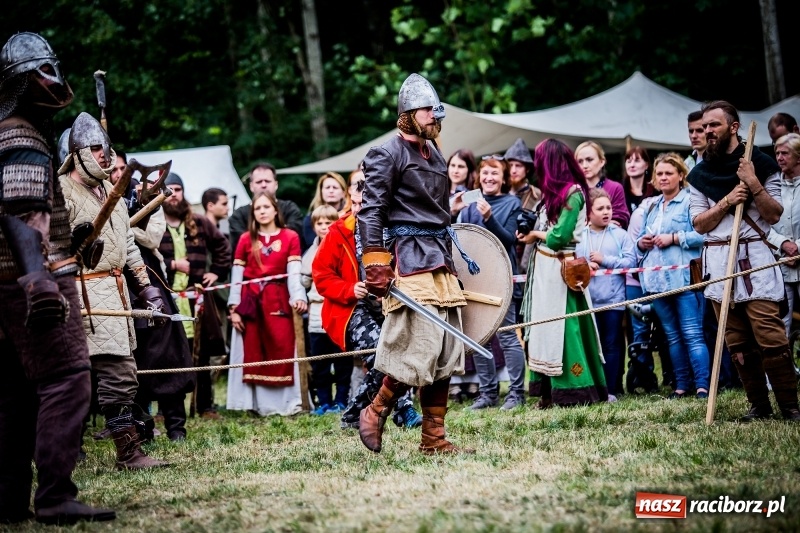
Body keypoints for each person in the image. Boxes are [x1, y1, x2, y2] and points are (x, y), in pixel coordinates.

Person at [0, 31, 116, 525]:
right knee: (67, 379)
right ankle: (54, 495)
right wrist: (38, 280)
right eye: (43, 73)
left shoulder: (9, 131)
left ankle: (8, 499)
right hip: (28, 281)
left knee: (16, 392)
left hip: (11, 282)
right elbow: (21, 214)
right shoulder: (20, 135)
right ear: (22, 83)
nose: (53, 82)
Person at [357, 73, 474, 454]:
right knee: (419, 346)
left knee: (445, 352)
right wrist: (375, 261)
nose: (434, 115)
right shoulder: (387, 153)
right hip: (409, 258)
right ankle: (376, 409)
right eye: (427, 110)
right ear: (407, 114)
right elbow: (371, 211)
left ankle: (433, 438)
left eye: (435, 110)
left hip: (440, 258)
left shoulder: (435, 153)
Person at [58, 111, 171, 472]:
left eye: (105, 148)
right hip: (80, 294)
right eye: (95, 149)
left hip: (115, 291)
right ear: (77, 154)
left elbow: (128, 244)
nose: (104, 155)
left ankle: (124, 451)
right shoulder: (60, 192)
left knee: (120, 376)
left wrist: (147, 288)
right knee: (95, 377)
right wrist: (71, 245)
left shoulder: (112, 192)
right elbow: (47, 245)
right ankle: (113, 452)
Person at [689, 100, 800, 421]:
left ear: (734, 127)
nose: (708, 131)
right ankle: (759, 406)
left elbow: (774, 215)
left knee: (771, 336)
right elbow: (699, 223)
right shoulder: (700, 173)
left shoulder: (762, 165)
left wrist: (752, 182)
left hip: (755, 259)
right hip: (719, 261)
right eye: (704, 126)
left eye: (714, 125)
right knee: (736, 342)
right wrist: (727, 201)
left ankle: (790, 407)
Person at [313, 178, 422, 430]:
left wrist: (393, 284)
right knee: (380, 353)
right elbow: (321, 275)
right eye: (354, 203)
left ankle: (354, 414)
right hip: (349, 308)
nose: (357, 209)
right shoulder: (338, 231)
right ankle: (403, 409)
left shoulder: (393, 228)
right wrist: (349, 289)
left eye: (363, 203)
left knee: (396, 353)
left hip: (388, 303)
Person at [517, 138, 608, 408]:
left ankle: (574, 391)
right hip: (544, 271)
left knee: (564, 330)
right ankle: (548, 393)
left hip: (561, 272)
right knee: (544, 331)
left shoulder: (574, 192)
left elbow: (559, 237)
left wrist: (535, 235)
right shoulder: (553, 194)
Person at [127, 168, 194, 443]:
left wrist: (124, 225)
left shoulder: (151, 203)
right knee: (134, 359)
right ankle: (143, 428)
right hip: (119, 283)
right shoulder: (102, 199)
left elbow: (152, 237)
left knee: (169, 355)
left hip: (152, 281)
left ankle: (176, 427)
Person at [455, 155, 527, 410]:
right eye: (485, 172)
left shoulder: (512, 202)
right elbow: (460, 240)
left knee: (507, 337)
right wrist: (454, 212)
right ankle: (488, 394)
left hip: (503, 279)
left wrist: (489, 218)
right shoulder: (469, 204)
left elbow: (509, 240)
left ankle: (517, 394)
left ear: (503, 178)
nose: (489, 177)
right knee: (479, 338)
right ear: (479, 177)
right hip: (476, 282)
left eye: (495, 173)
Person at [227, 192, 308, 416]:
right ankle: (254, 404)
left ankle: (288, 404)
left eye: (266, 207)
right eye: (257, 208)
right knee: (252, 351)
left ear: (275, 210)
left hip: (278, 300)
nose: (262, 211)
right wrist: (234, 308)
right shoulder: (246, 239)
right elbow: (237, 276)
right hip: (250, 303)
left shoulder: (290, 236)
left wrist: (298, 297)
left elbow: (294, 273)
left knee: (282, 346)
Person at [637, 153, 709, 399]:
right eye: (659, 173)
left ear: (681, 175)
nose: (663, 177)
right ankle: (681, 386)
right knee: (673, 337)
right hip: (657, 283)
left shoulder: (690, 201)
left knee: (693, 335)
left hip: (684, 280)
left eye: (669, 173)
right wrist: (642, 243)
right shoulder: (651, 205)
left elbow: (704, 235)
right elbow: (640, 239)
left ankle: (702, 386)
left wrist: (675, 238)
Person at [159, 173, 231, 419]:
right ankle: (166, 409)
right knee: (168, 355)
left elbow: (223, 247)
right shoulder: (153, 223)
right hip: (166, 298)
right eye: (168, 189)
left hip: (195, 297)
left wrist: (216, 272)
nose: (173, 194)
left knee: (201, 353)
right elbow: (143, 257)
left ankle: (205, 406)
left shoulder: (199, 221)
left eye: (178, 189)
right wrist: (172, 265)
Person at [576, 188, 636, 402]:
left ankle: (611, 390)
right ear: (589, 212)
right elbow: (571, 262)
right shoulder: (579, 236)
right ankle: (593, 389)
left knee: (612, 345)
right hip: (587, 301)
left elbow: (631, 262)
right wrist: (585, 264)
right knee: (592, 345)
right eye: (600, 208)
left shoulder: (620, 235)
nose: (606, 212)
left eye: (608, 208)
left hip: (613, 301)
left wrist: (605, 260)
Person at [301, 204, 351, 414]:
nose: (323, 227)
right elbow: (304, 281)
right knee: (320, 362)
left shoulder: (343, 247)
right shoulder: (310, 253)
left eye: (328, 222)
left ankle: (341, 400)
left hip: (339, 311)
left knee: (342, 360)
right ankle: (324, 402)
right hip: (316, 313)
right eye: (319, 223)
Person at [228, 162, 304, 253]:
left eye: (267, 181)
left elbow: (294, 236)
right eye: (259, 182)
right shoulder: (239, 215)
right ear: (251, 186)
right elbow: (239, 244)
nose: (263, 185)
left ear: (276, 184)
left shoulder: (290, 209)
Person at [768, 133, 800, 336]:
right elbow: (762, 224)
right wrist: (783, 244)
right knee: (781, 325)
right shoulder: (771, 186)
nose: (779, 157)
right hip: (780, 264)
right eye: (777, 153)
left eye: (785, 153)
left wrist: (797, 247)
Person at [504, 138, 542, 276]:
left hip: (528, 256)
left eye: (518, 166)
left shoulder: (538, 196)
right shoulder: (499, 193)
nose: (513, 170)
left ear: (527, 169)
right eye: (510, 165)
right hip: (504, 254)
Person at [575, 140, 630, 228]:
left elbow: (620, 219)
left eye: (589, 160)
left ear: (602, 162)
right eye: (580, 161)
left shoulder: (615, 188)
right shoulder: (574, 190)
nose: (584, 165)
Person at [301, 171, 349, 251]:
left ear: (343, 193)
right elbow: (310, 244)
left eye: (335, 187)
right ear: (321, 192)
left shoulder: (349, 217)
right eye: (327, 187)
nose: (331, 191)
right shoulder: (310, 219)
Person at [447, 148, 477, 222]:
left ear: (469, 169)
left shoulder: (474, 196)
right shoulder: (438, 193)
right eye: (453, 165)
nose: (455, 171)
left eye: (461, 166)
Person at [622, 146, 655, 214]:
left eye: (637, 161)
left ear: (646, 165)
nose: (632, 165)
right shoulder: (619, 190)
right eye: (629, 161)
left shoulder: (656, 192)